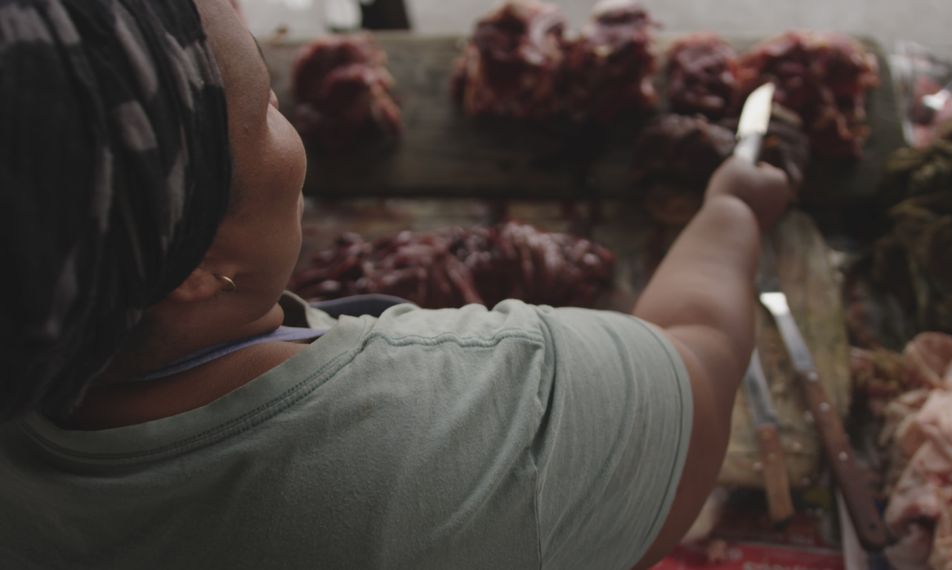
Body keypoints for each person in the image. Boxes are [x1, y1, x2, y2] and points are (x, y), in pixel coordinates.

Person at [0, 0, 790, 568]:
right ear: (200, 269)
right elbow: (705, 361)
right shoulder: (486, 419)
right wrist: (731, 210)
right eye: (270, 106)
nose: (291, 126)